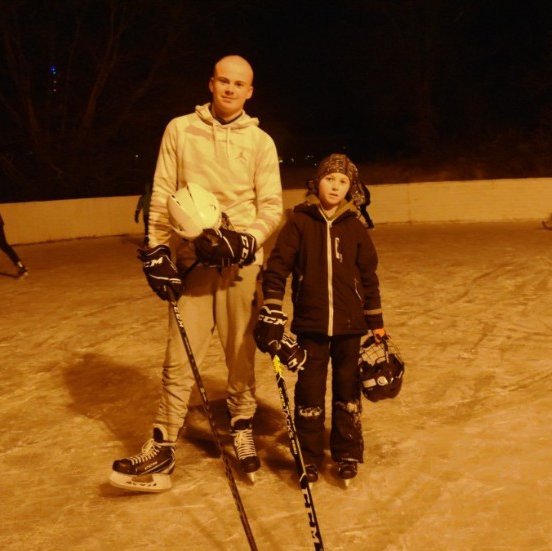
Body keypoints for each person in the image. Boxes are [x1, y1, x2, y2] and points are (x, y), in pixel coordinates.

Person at [109, 55, 284, 492]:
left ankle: (241, 424)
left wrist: (249, 241)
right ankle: (163, 443)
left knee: (239, 354)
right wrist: (155, 251)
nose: (229, 89)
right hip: (194, 263)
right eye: (223, 81)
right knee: (179, 353)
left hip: (242, 264)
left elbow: (273, 208)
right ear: (211, 84)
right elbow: (163, 191)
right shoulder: (180, 130)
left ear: (250, 91)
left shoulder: (261, 142)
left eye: (238, 83)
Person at [255, 153, 386, 483]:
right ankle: (309, 455)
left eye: (343, 182)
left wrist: (376, 322)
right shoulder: (300, 222)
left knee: (347, 391)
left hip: (350, 327)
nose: (336, 186)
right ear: (317, 182)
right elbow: (278, 268)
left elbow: (369, 277)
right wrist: (272, 306)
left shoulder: (355, 228)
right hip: (311, 325)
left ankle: (347, 451)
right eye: (330, 179)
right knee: (309, 392)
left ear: (350, 189)